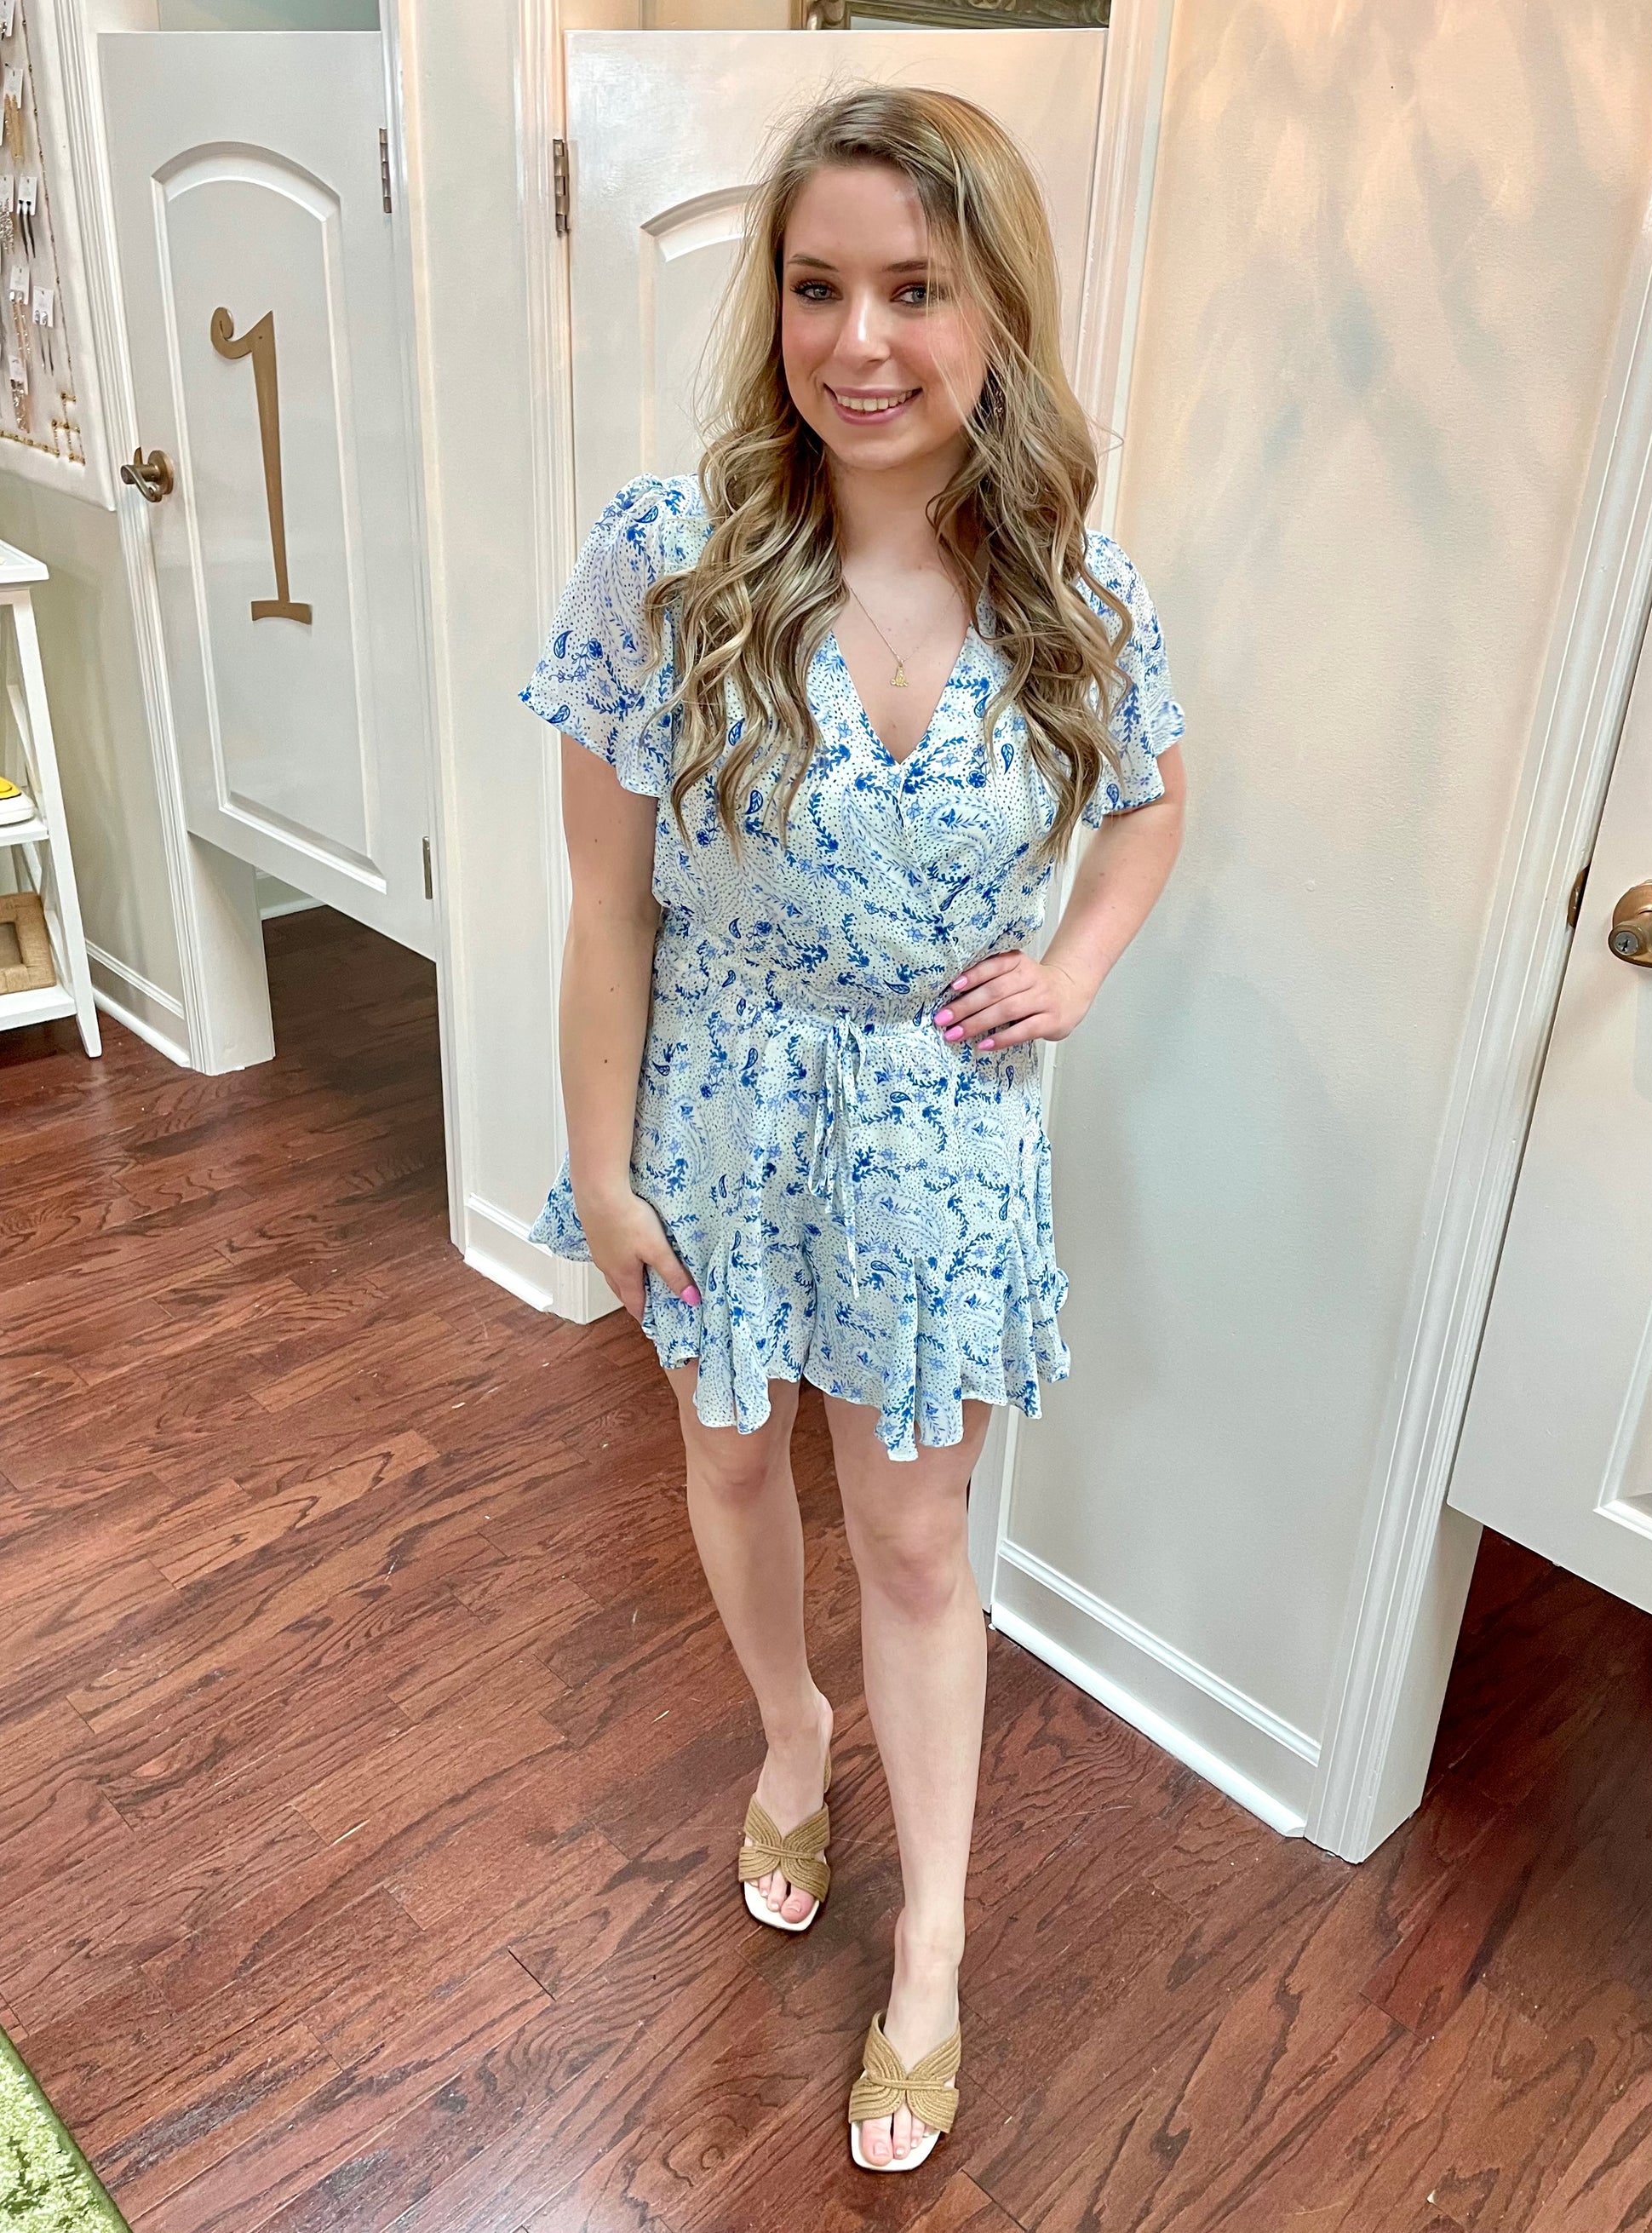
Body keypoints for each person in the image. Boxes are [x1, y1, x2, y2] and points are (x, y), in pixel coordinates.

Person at [521, 83, 1186, 2173]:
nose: (861, 341)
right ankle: (793, 1738)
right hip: (715, 1101)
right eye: (818, 288)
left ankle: (935, 1952)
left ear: (996, 311)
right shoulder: (668, 556)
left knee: (912, 1538)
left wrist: (1075, 970)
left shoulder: (1074, 581)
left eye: (915, 288)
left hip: (937, 1122)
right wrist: (603, 1167)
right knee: (730, 1457)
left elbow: (1151, 807)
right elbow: (608, 908)